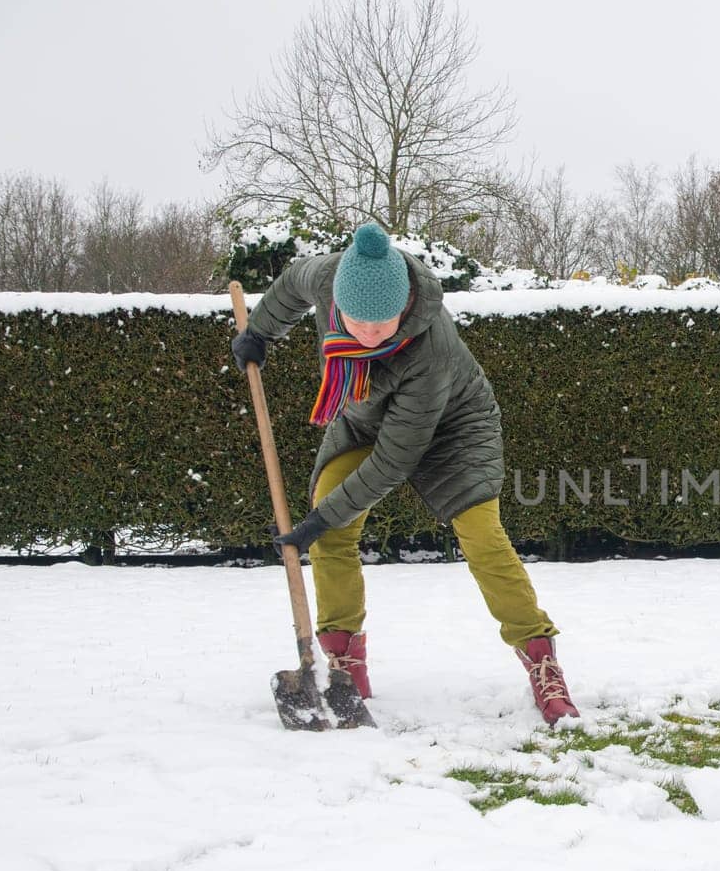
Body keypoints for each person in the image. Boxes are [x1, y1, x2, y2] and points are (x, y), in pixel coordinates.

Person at [230, 222, 580, 726]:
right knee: (333, 531)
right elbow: (288, 287)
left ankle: (540, 659)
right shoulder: (328, 278)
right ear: (338, 303)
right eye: (356, 322)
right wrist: (259, 333)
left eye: (383, 324)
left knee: (481, 535)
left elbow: (393, 461)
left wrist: (319, 520)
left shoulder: (429, 346)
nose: (369, 334)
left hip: (455, 431)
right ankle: (344, 663)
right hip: (363, 419)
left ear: (405, 308)